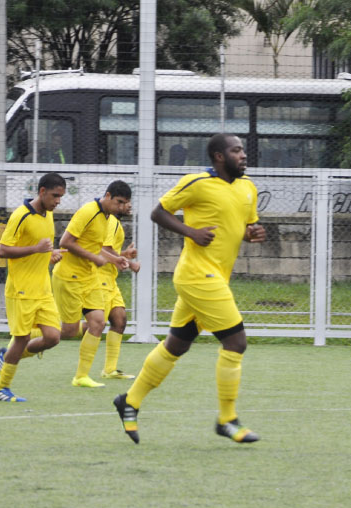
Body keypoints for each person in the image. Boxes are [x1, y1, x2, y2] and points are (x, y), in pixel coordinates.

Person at [113, 133, 267, 445]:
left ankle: (129, 401)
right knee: (236, 341)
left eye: (243, 150)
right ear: (219, 156)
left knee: (176, 346)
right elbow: (159, 212)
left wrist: (251, 234)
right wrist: (190, 232)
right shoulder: (197, 183)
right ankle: (227, 419)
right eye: (236, 150)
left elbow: (242, 227)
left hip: (216, 278)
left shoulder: (248, 187)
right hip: (197, 276)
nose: (243, 155)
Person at [0, 173, 67, 402]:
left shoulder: (48, 214)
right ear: (42, 192)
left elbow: (41, 246)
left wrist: (50, 253)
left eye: (61, 197)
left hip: (43, 289)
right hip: (21, 290)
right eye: (55, 196)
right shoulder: (20, 216)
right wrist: (36, 249)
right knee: (22, 339)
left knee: (53, 337)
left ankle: (6, 356)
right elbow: (3, 250)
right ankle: (0, 389)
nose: (58, 201)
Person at [53, 181, 132, 388]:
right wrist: (94, 258)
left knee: (98, 322)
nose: (121, 206)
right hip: (69, 277)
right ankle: (29, 338)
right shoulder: (88, 211)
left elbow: (96, 247)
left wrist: (116, 259)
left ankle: (81, 377)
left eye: (124, 203)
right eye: (118, 202)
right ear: (107, 196)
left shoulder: (107, 217)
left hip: (89, 278)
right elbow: (65, 242)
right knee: (69, 331)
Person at [97, 199, 141, 379]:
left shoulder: (114, 222)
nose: (129, 206)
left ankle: (110, 370)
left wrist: (123, 254)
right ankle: (39, 334)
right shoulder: (112, 222)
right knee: (92, 325)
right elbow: (103, 248)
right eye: (125, 202)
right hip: (100, 279)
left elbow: (107, 250)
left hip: (110, 279)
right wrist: (129, 263)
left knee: (120, 320)